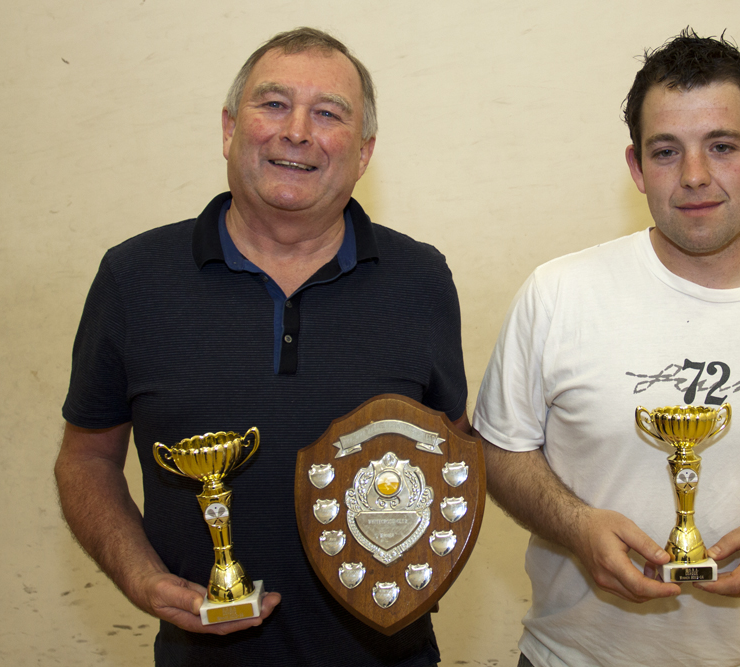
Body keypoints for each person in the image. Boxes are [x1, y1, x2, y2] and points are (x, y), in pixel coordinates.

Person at [472, 28, 740, 667]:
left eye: (722, 146)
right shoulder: (557, 294)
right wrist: (577, 527)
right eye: (666, 152)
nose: (695, 176)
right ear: (637, 167)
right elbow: (501, 450)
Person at [55, 27, 468, 667]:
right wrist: (139, 576)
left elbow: (452, 456)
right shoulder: (133, 277)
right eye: (273, 104)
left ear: (363, 152)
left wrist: (424, 563)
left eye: (328, 114)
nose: (297, 131)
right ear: (228, 128)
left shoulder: (421, 280)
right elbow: (85, 461)